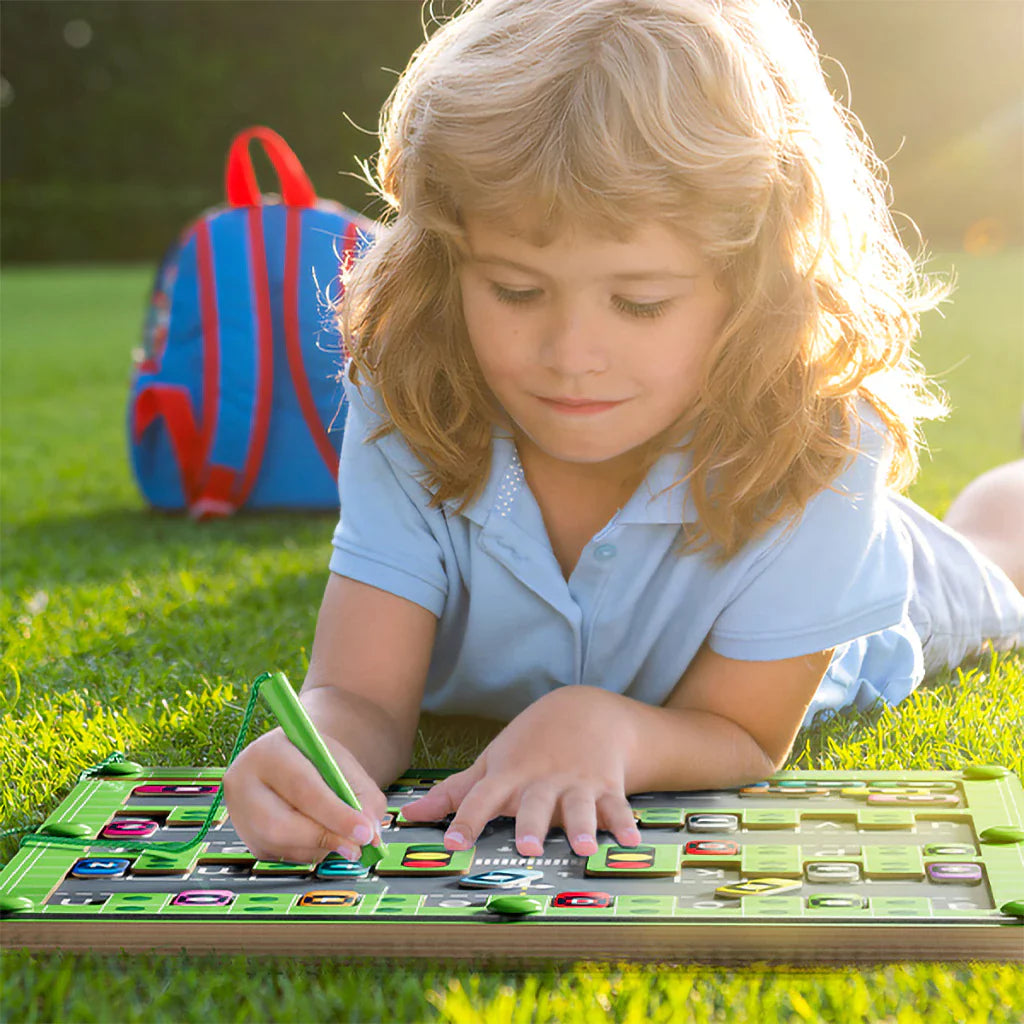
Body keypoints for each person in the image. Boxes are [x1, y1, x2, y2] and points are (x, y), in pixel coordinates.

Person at [223, 0, 1024, 865]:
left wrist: (601, 724)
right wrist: (323, 750)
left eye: (639, 301)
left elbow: (744, 734)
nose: (571, 357)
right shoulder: (412, 394)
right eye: (517, 291)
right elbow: (358, 695)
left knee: (997, 552)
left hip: (851, 598)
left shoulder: (822, 444)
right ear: (446, 262)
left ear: (757, 283)